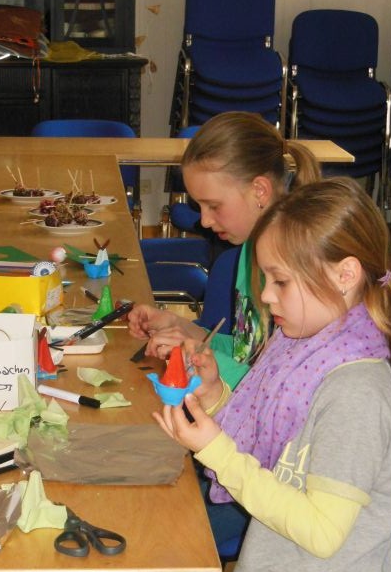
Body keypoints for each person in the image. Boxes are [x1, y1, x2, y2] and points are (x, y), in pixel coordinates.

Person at [80, 177, 391, 572]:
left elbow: (320, 532)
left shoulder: (356, 390)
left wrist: (216, 449)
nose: (264, 295)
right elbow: (279, 446)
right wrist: (218, 396)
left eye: (280, 281)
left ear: (345, 274)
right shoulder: (305, 350)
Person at [129, 110, 321, 390]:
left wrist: (195, 355)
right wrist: (180, 327)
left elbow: (273, 387)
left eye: (214, 206)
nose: (204, 221)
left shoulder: (299, 269)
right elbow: (249, 352)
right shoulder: (250, 252)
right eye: (199, 206)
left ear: (259, 191)